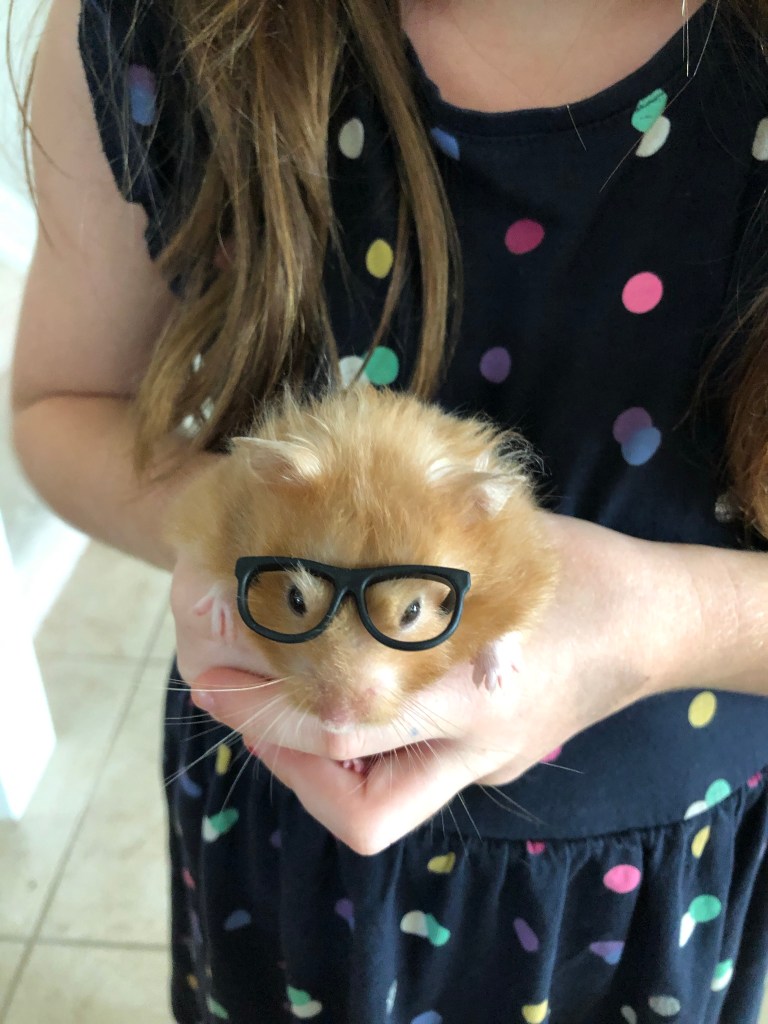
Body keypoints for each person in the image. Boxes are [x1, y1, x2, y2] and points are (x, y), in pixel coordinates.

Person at [10, 0, 768, 1019]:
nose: (351, 696)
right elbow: (58, 407)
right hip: (275, 829)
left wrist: (668, 622)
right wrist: (240, 546)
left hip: (653, 878)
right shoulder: (150, 29)